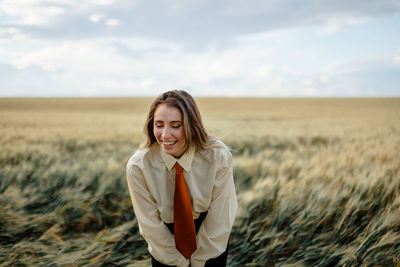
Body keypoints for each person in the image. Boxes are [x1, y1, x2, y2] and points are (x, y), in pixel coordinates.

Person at [126, 90, 238, 267]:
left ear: (191, 125)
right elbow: (150, 224)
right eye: (159, 124)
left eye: (176, 125)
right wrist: (176, 261)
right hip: (164, 242)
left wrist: (200, 261)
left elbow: (221, 213)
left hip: (210, 237)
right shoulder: (138, 166)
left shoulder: (217, 156)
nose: (165, 134)